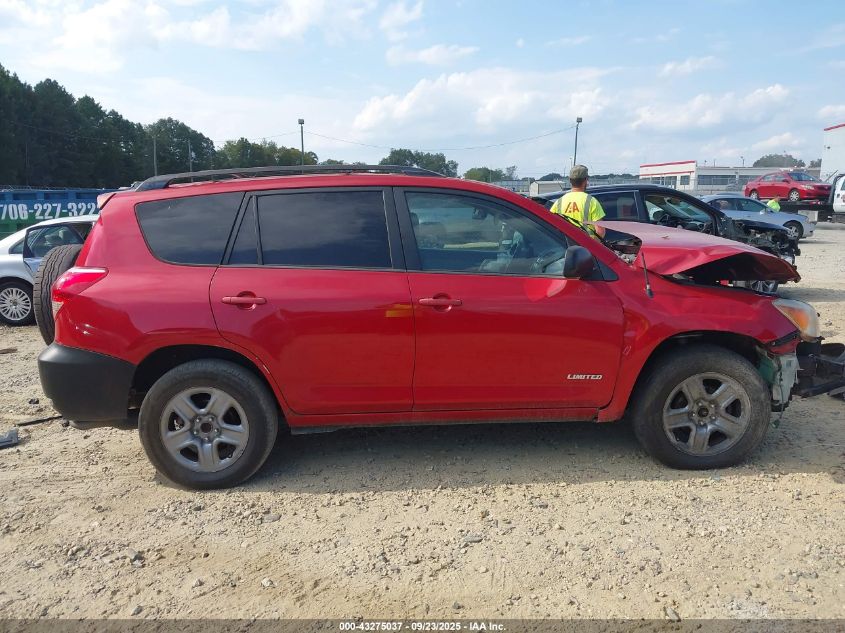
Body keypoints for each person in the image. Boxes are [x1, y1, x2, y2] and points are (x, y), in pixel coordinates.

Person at [550, 165, 606, 238]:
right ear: (586, 180)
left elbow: (551, 228)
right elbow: (600, 231)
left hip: (565, 247)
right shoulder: (591, 201)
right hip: (586, 247)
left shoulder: (559, 202)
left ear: (570, 180)